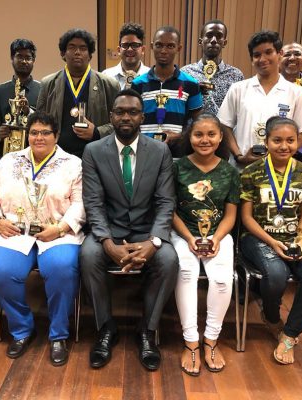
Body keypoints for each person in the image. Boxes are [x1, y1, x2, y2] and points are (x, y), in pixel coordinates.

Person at [80, 89, 178, 371]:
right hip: (108, 230)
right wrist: (108, 242)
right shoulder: (93, 151)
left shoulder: (160, 151)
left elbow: (165, 201)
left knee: (169, 260)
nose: (126, 117)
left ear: (142, 117)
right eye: (120, 112)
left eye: (132, 112)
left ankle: (147, 330)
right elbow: (94, 202)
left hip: (147, 231)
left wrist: (155, 241)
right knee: (88, 256)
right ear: (111, 117)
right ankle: (106, 328)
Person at [0, 111, 85, 366]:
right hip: (14, 231)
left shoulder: (73, 163)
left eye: (45, 132)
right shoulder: (8, 160)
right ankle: (22, 328)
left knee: (62, 269)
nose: (39, 137)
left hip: (57, 233)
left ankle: (58, 334)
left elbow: (81, 203)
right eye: (34, 132)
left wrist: (61, 228)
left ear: (56, 135)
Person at [239, 116, 302, 365]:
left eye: (290, 140)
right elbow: (246, 218)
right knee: (275, 274)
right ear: (266, 141)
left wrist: (299, 242)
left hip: (293, 237)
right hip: (257, 237)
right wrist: (272, 242)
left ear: (298, 142)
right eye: (277, 140)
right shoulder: (251, 172)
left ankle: (290, 333)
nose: (283, 146)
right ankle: (272, 316)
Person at [171, 113, 239, 376]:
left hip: (219, 234)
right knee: (186, 272)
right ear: (190, 137)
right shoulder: (176, 167)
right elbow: (171, 210)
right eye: (198, 134)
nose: (205, 139)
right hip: (182, 233)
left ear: (221, 137)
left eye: (212, 134)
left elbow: (231, 214)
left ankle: (211, 339)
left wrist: (216, 238)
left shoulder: (230, 171)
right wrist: (189, 238)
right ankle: (190, 341)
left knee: (221, 279)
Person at [218, 31, 302, 167]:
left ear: (280, 54)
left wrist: (280, 157)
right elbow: (224, 125)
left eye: (268, 52)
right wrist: (239, 156)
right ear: (252, 60)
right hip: (241, 169)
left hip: (278, 170)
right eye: (257, 55)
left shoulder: (296, 93)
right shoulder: (238, 89)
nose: (262, 59)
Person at [36, 28, 120, 158]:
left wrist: (97, 132)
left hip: (97, 157)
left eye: (83, 48)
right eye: (72, 47)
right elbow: (39, 122)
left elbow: (119, 123)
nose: (77, 52)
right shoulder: (48, 83)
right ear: (63, 54)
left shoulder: (109, 84)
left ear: (90, 55)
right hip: (56, 157)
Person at [131, 26, 203, 157]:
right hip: (145, 152)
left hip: (178, 153)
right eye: (159, 45)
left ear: (179, 48)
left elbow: (199, 121)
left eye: (170, 46)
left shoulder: (190, 84)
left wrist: (180, 136)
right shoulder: (138, 84)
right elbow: (132, 119)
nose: (163, 51)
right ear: (152, 46)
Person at [0, 39, 41, 160]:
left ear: (33, 61)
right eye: (19, 57)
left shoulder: (43, 90)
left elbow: (48, 124)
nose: (24, 61)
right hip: (6, 157)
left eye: (28, 57)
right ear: (12, 58)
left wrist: (29, 112)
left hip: (36, 156)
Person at [181, 20, 244, 114]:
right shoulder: (185, 73)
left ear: (224, 42)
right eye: (209, 35)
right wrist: (194, 93)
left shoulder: (236, 75)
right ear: (200, 41)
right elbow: (179, 107)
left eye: (219, 36)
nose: (214, 40)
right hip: (193, 127)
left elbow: (239, 111)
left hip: (222, 128)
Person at [102, 22, 150, 89]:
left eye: (135, 45)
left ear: (143, 50)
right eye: (125, 45)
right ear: (119, 50)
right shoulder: (106, 76)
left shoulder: (151, 77)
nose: (130, 49)